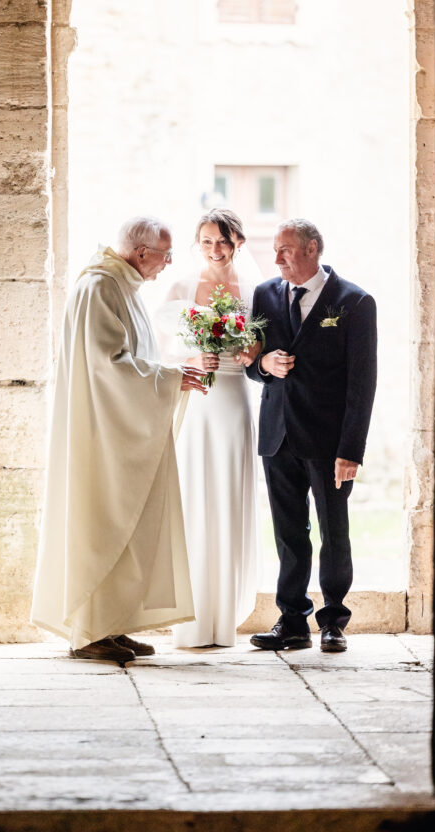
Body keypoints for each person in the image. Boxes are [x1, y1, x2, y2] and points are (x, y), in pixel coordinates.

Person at [30, 216, 207, 664]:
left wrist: (169, 376)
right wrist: (169, 380)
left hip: (119, 428)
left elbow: (134, 357)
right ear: (142, 252)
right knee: (103, 523)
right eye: (165, 255)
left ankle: (113, 625)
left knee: (127, 527)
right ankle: (89, 631)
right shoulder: (100, 288)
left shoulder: (121, 286)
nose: (167, 265)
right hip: (101, 433)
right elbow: (108, 367)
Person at [246, 219, 377, 653]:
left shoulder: (355, 302)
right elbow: (252, 361)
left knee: (333, 531)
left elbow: (363, 383)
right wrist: (265, 364)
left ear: (313, 248)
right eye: (275, 250)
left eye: (286, 249)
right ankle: (292, 621)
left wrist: (350, 450)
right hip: (278, 436)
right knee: (289, 533)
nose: (277, 258)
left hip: (328, 441)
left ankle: (334, 621)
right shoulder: (265, 294)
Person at [158, 208, 260, 648]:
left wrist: (252, 352)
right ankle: (192, 618)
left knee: (230, 498)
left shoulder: (258, 289)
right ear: (196, 244)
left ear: (238, 241)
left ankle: (225, 618)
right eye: (206, 241)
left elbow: (264, 343)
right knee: (196, 497)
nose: (215, 249)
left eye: (223, 240)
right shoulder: (180, 287)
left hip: (235, 399)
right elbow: (158, 349)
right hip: (198, 398)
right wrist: (191, 358)